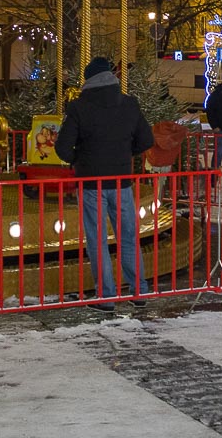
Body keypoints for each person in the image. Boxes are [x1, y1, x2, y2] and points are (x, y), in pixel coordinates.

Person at [55, 56, 155, 310]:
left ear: (88, 80)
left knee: (97, 239)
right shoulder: (129, 104)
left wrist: (82, 159)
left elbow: (63, 148)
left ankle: (106, 296)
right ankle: (139, 291)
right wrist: (124, 154)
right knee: (128, 236)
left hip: (91, 183)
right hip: (121, 181)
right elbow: (146, 140)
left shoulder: (79, 107)